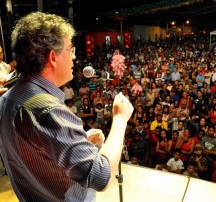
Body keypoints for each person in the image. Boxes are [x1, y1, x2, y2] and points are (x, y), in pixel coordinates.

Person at [0, 12, 134, 202]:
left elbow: (32, 148)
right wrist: (120, 120)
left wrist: (77, 141)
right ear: (53, 57)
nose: (74, 56)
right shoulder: (46, 109)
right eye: (70, 49)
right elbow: (100, 176)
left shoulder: (7, 99)